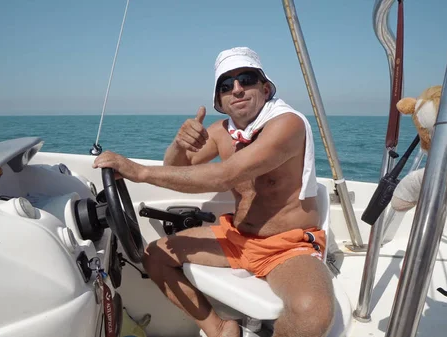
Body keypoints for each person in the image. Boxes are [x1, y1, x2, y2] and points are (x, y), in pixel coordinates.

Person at [93, 47, 334, 337]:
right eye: (226, 86)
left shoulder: (287, 124)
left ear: (265, 87)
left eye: (246, 79)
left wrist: (140, 172)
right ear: (219, 99)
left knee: (312, 314)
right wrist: (180, 143)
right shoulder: (222, 131)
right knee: (154, 256)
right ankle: (220, 328)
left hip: (287, 246)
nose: (237, 89)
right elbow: (176, 166)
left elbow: (225, 176)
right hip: (237, 237)